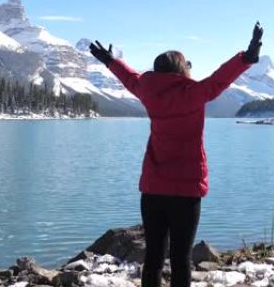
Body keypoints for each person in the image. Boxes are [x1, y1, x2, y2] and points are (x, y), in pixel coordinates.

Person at [89, 22, 264, 287]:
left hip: (153, 189)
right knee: (181, 258)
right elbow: (221, 77)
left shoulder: (147, 91)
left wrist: (110, 61)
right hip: (187, 191)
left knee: (154, 257)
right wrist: (248, 56)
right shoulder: (194, 93)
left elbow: (130, 78)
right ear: (181, 69)